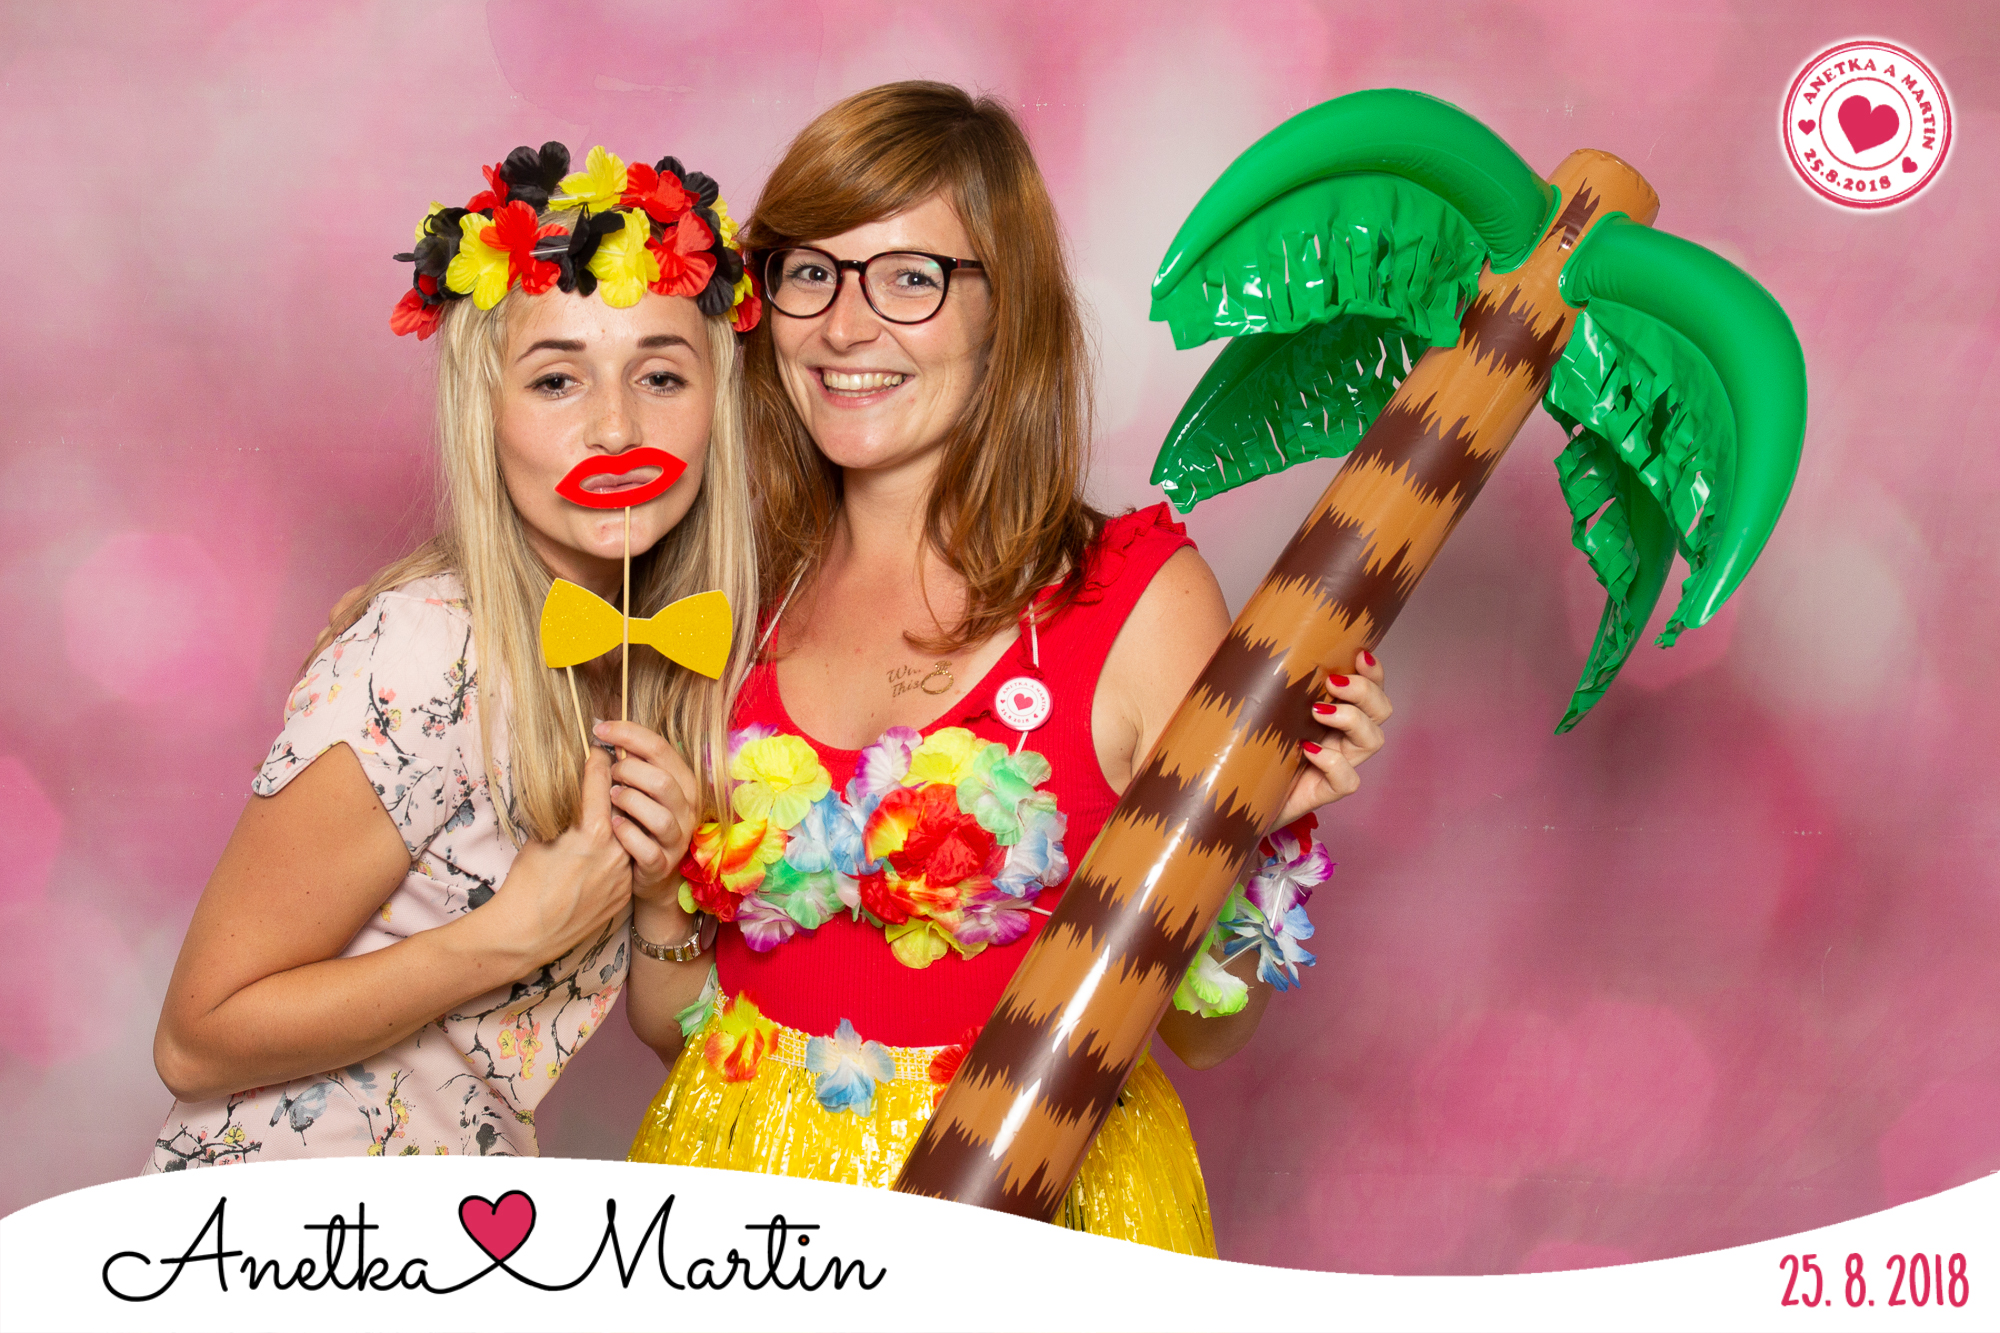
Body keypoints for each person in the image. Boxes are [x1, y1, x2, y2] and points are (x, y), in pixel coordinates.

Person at [623, 84, 1392, 1255]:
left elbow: (1206, 1033)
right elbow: (678, 1026)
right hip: (745, 1214)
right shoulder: (724, 590)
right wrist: (653, 898)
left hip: (1041, 1223)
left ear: (1005, 310)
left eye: (909, 278)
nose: (844, 327)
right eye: (810, 272)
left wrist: (1257, 836)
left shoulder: (1131, 600)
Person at [144, 142, 759, 1167]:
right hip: (290, 1225)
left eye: (659, 375)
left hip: (460, 1215)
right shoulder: (424, 649)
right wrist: (507, 935)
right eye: (556, 379)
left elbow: (674, 1036)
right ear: (488, 412)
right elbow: (194, 1039)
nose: (616, 427)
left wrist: (661, 889)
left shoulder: (652, 663)